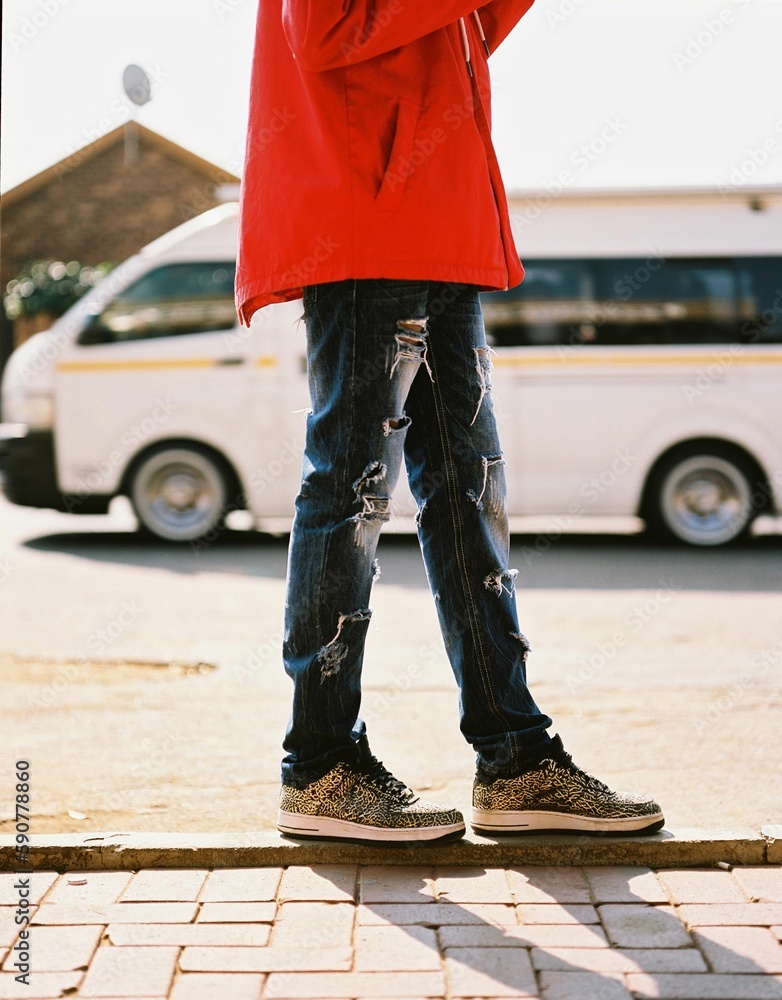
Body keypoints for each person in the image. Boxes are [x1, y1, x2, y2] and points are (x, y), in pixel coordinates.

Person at [236, 0, 664, 842]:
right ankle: (320, 765)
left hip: (438, 216)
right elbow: (322, 29)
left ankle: (515, 759)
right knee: (352, 489)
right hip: (367, 219)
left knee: (471, 493)